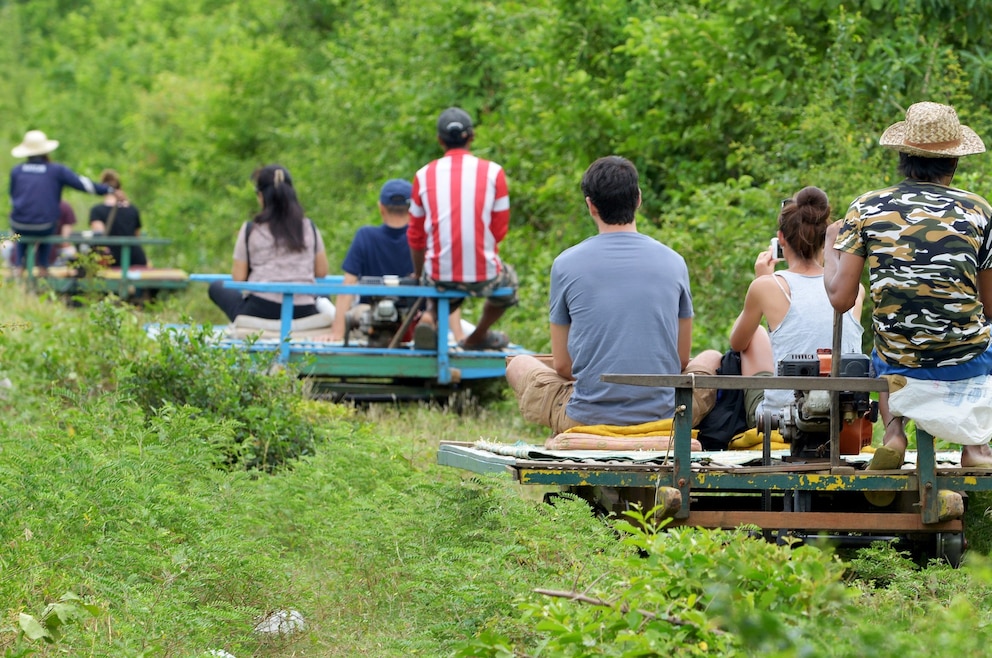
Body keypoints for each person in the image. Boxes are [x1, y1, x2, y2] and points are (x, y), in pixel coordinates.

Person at [824, 101, 992, 469]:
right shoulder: (979, 211)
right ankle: (975, 448)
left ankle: (895, 434)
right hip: (965, 358)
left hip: (898, 359)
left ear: (903, 156)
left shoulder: (866, 208)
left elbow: (840, 299)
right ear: (954, 161)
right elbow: (991, 305)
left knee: (883, 340)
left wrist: (829, 245)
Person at [506, 156, 694, 432]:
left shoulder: (565, 264)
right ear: (638, 199)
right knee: (710, 358)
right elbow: (681, 360)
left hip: (586, 417)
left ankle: (573, 434)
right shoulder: (675, 261)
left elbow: (562, 366)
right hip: (663, 416)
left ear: (590, 205)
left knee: (518, 364)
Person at [727, 186, 865, 424]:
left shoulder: (767, 286)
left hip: (783, 418)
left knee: (755, 336)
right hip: (844, 418)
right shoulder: (854, 290)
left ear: (781, 239)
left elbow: (737, 342)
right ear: (825, 240)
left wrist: (761, 279)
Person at [408, 107, 517, 350]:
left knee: (442, 279)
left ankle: (429, 315)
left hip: (439, 275)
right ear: (471, 137)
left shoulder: (423, 175)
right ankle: (478, 335)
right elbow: (499, 230)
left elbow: (416, 237)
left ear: (439, 140)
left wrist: (419, 275)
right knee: (509, 284)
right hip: (484, 274)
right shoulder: (493, 172)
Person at [325, 179, 464, 343]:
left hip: (372, 315)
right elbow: (445, 284)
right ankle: (424, 325)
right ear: (413, 210)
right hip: (413, 314)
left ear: (381, 208)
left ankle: (380, 332)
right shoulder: (425, 240)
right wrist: (458, 335)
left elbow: (348, 284)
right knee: (430, 310)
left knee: (360, 312)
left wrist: (338, 332)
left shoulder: (366, 236)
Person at [208, 164, 329, 322]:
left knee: (216, 286)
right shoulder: (308, 227)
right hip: (303, 311)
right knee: (322, 293)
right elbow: (321, 272)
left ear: (261, 196)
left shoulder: (251, 230)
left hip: (260, 310)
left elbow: (238, 278)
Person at [8, 130, 121, 276]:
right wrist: (109, 189)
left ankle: (18, 267)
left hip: (19, 225)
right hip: (45, 227)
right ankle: (43, 266)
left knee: (22, 228)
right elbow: (83, 184)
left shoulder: (16, 171)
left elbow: (13, 198)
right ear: (45, 151)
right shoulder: (56, 170)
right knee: (45, 226)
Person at [89, 169, 148, 268]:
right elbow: (137, 236)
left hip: (111, 261)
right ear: (120, 187)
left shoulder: (97, 211)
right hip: (135, 258)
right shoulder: (132, 209)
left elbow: (99, 236)